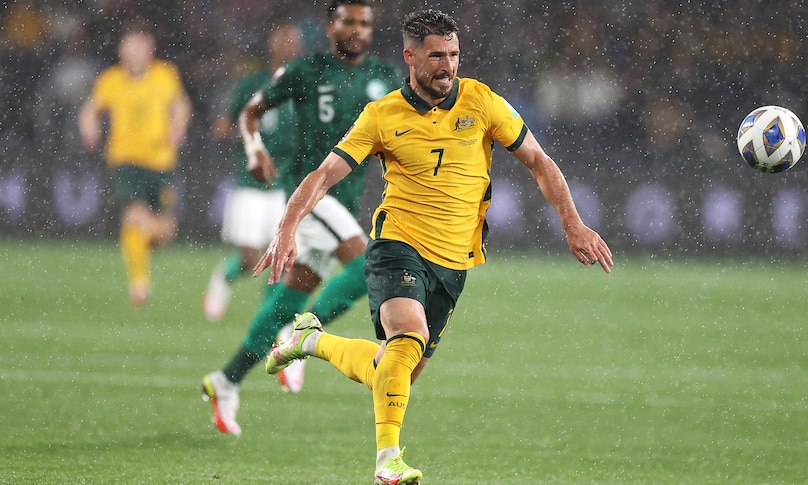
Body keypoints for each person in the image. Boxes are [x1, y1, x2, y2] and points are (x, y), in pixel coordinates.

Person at [259, 9, 613, 485]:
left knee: (393, 370)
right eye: (436, 56)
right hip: (397, 246)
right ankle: (388, 460)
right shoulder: (383, 115)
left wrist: (573, 223)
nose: (447, 65)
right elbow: (324, 174)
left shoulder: (482, 102)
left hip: (454, 262)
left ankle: (309, 340)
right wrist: (286, 228)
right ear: (410, 57)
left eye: (453, 54)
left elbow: (539, 162)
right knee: (406, 338)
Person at [200, 0, 402, 436]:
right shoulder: (306, 71)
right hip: (309, 193)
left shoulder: (384, 78)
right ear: (330, 26)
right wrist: (255, 152)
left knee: (291, 296)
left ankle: (227, 380)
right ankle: (300, 336)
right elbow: (250, 112)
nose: (357, 28)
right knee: (369, 266)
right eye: (348, 20)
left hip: (343, 201)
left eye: (364, 22)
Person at [79, 21, 192, 306]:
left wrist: (178, 126)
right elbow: (90, 110)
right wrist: (89, 127)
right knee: (134, 215)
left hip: (161, 163)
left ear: (150, 48)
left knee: (164, 231)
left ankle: (142, 242)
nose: (135, 52)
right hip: (126, 163)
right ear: (121, 50)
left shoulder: (165, 74)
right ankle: (139, 283)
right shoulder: (111, 80)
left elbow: (181, 105)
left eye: (140, 46)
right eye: (129, 46)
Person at [202, 23, 304, 322]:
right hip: (251, 181)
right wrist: (242, 134)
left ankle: (267, 318)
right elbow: (224, 124)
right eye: (282, 40)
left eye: (292, 41)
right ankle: (223, 278)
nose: (287, 46)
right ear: (271, 47)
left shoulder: (302, 87)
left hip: (284, 185)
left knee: (281, 256)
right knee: (248, 256)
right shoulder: (252, 84)